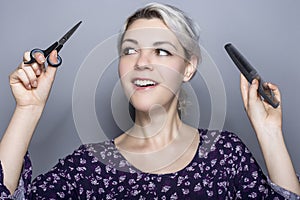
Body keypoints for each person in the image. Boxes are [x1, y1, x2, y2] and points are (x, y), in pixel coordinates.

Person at [0, 2, 299, 199]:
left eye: (162, 51)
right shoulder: (88, 167)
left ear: (189, 67)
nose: (141, 62)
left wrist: (269, 132)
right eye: (130, 50)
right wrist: (28, 109)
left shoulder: (226, 155)